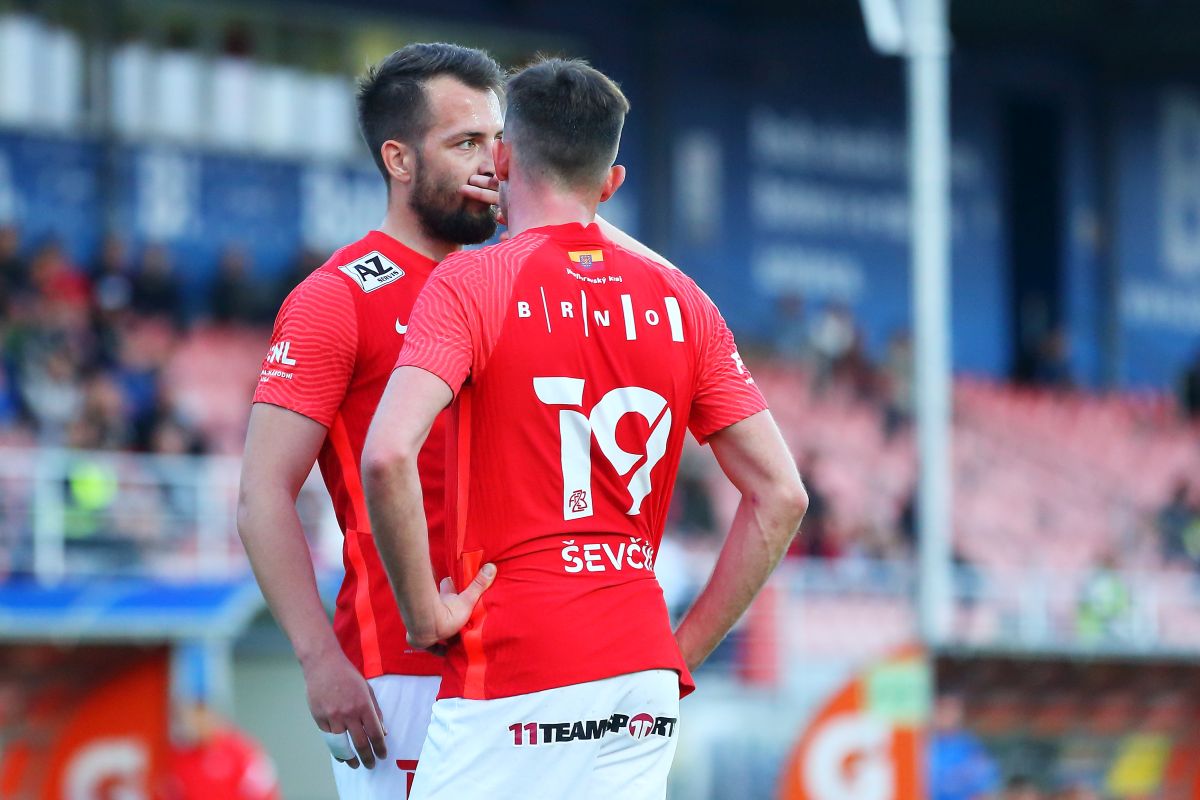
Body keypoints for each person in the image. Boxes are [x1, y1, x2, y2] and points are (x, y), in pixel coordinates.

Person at [237, 43, 682, 800]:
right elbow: (261, 496)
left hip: (536, 667)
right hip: (403, 672)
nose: (492, 162)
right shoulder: (337, 299)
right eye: (465, 142)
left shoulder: (522, 279)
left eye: (497, 140)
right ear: (399, 159)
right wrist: (319, 659)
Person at [362, 57, 807, 798]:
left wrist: (423, 613)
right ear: (611, 183)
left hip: (518, 659)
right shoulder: (686, 302)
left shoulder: (472, 281)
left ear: (504, 160)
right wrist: (679, 651)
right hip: (640, 672)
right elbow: (782, 496)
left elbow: (386, 455)